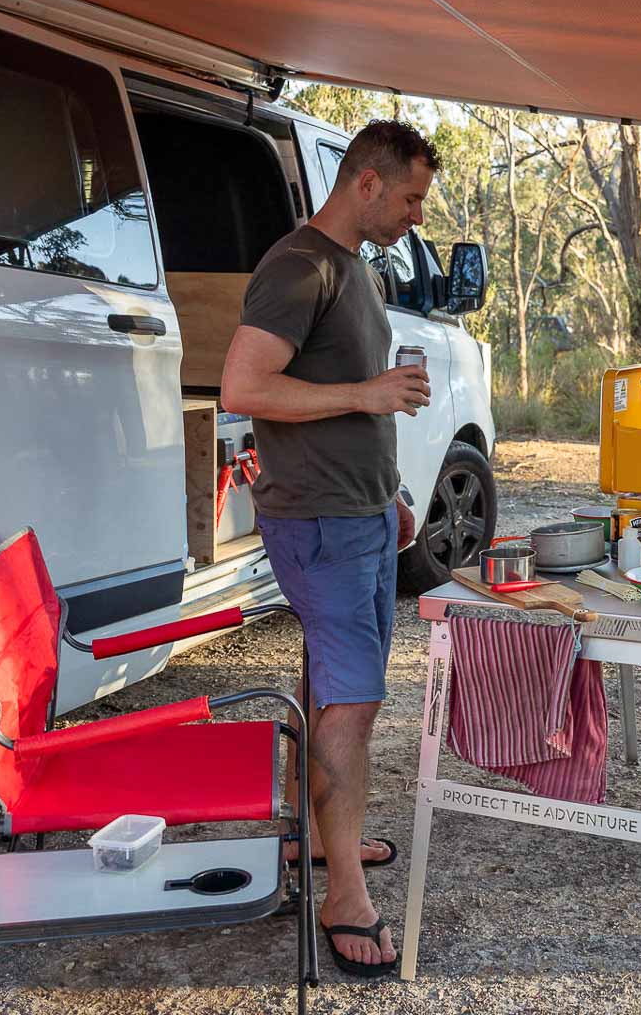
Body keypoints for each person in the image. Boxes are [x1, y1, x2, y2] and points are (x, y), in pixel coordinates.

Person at [220, 119, 438, 978]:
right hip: (316, 524)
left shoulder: (353, 270)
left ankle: (315, 841)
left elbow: (344, 403)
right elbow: (245, 387)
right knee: (351, 702)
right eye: (412, 197)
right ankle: (343, 895)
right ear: (368, 184)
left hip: (356, 515)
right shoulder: (298, 266)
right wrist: (367, 391)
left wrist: (387, 494)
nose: (418, 215)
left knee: (332, 684)